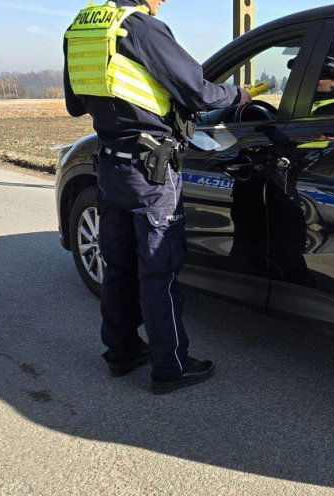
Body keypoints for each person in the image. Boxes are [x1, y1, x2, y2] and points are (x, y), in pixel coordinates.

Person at [63, 0, 250, 394]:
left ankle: (122, 352)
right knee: (158, 270)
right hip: (150, 170)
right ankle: (172, 366)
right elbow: (197, 91)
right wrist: (237, 96)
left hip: (110, 164)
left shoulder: (84, 28)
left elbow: (74, 104)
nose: (162, 1)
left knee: (119, 264)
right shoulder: (143, 28)